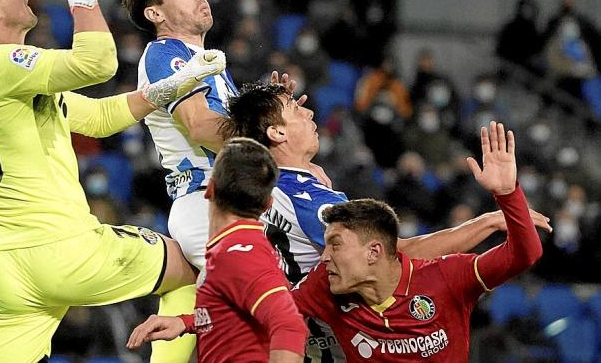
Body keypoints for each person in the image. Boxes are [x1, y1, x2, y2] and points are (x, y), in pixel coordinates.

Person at [0, 0, 224, 363]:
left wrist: (168, 87)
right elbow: (99, 62)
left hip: (5, 271)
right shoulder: (6, 62)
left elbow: (97, 116)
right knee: (191, 268)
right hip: (64, 249)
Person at [221, 83, 551, 363]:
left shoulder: (265, 182)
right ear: (276, 132)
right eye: (296, 110)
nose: (309, 113)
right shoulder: (314, 211)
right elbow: (397, 250)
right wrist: (488, 220)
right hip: (316, 338)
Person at [120, 0, 314, 363]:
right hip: (204, 203)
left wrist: (274, 119)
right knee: (254, 330)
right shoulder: (163, 56)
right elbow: (201, 127)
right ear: (155, 12)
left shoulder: (209, 64)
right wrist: (271, 137)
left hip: (236, 202)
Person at [291, 121, 543, 362]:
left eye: (335, 245)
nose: (324, 256)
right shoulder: (325, 283)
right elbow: (266, 310)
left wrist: (508, 195)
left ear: (373, 251)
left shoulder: (447, 276)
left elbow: (524, 255)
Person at [126, 138, 309, 363]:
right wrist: (186, 322)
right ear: (267, 204)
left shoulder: (241, 254)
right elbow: (238, 312)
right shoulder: (233, 248)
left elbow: (290, 325)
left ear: (210, 188)